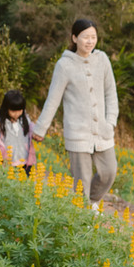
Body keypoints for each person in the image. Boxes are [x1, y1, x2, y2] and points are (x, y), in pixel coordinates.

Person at [32, 18, 119, 208]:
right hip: (78, 132)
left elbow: (111, 92)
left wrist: (110, 121)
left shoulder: (102, 60)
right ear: (74, 38)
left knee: (109, 172)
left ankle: (91, 202)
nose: (90, 41)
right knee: (82, 180)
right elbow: (53, 99)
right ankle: (81, 216)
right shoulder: (64, 65)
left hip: (103, 131)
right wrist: (41, 128)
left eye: (93, 37)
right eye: (85, 37)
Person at [0, 89, 36, 176]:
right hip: (9, 164)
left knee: (24, 186)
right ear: (6, 108)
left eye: (20, 110)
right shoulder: (1, 123)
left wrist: (38, 132)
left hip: (25, 162)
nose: (17, 114)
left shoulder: (25, 120)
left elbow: (33, 130)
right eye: (13, 111)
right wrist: (1, 155)